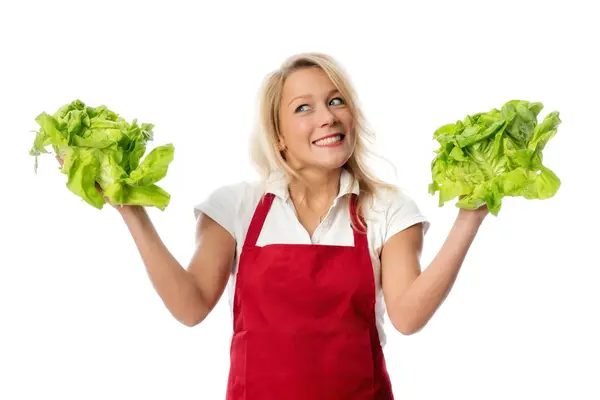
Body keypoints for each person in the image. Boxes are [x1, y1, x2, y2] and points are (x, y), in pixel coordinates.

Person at [96, 53, 489, 399]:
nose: (328, 116)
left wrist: (469, 217)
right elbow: (190, 306)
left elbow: (408, 317)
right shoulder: (237, 206)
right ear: (278, 136)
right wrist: (133, 212)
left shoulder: (387, 209)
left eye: (337, 101)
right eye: (304, 108)